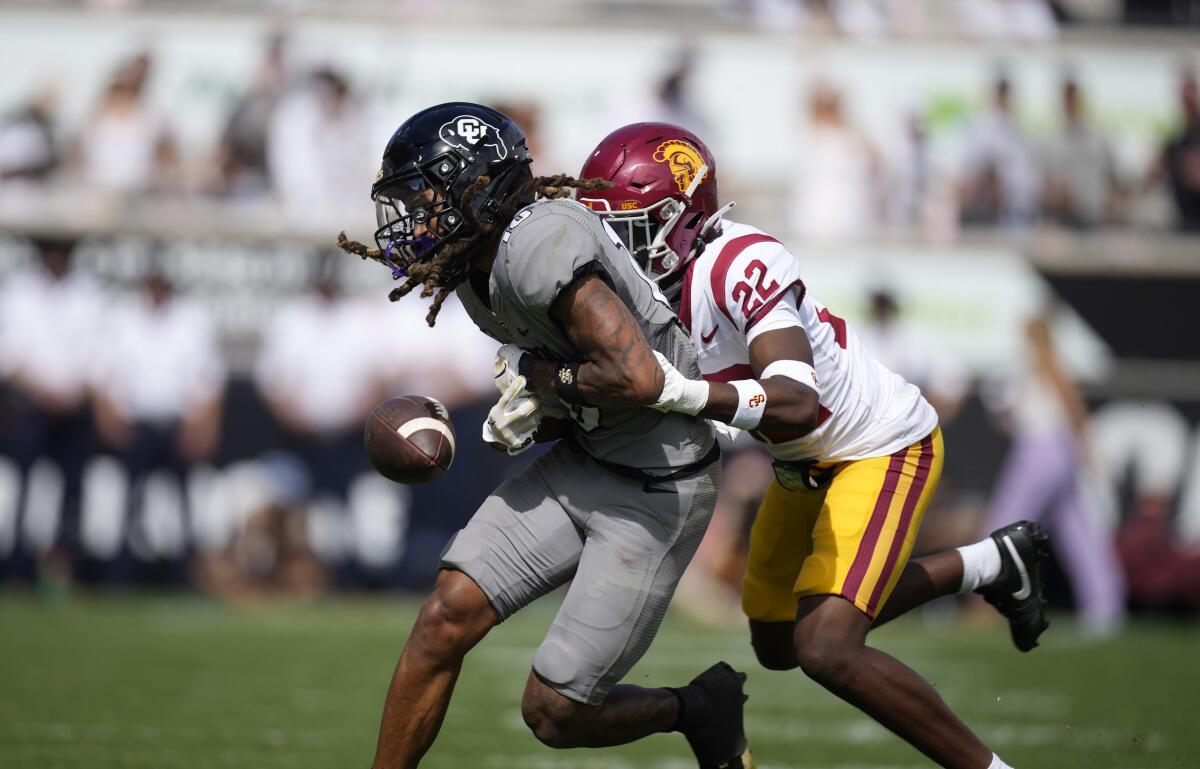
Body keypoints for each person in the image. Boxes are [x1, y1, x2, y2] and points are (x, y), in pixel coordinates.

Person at [580, 122, 1052, 769]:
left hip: (880, 446)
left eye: (629, 226)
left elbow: (796, 401)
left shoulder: (740, 263)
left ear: (681, 220)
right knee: (777, 642)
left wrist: (680, 394)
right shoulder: (641, 292)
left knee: (828, 647)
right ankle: (990, 562)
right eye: (604, 225)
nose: (612, 245)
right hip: (801, 464)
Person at [336, 103, 751, 769]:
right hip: (588, 457)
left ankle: (698, 707)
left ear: (477, 185)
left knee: (554, 712)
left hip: (656, 486)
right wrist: (539, 411)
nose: (414, 215)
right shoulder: (474, 262)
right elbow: (585, 376)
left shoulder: (536, 244)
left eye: (425, 194)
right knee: (445, 615)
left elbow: (639, 377)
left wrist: (538, 375)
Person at [91, 267, 225, 580]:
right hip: (135, 425)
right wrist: (109, 420)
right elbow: (101, 376)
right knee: (128, 500)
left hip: (178, 425)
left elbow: (211, 381)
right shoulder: (122, 319)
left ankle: (183, 573)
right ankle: (121, 573)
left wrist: (203, 426)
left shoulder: (191, 320)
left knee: (184, 504)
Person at [1041, 77, 1122, 230]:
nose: (1071, 104)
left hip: (1098, 219)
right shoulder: (1051, 142)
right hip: (1064, 221)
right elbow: (1047, 185)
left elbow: (1115, 180)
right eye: (1067, 99)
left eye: (1074, 99)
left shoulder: (1099, 139)